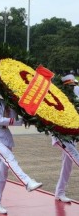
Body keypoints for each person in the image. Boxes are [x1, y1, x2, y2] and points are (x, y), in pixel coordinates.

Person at [0, 74, 42, 214]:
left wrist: (18, 107)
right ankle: (27, 182)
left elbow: (12, 117)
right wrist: (21, 122)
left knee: (3, 173)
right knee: (10, 158)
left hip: (5, 136)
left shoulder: (4, 102)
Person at [50, 74, 79, 203]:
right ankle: (60, 192)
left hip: (71, 137)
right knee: (76, 157)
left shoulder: (74, 100)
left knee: (67, 165)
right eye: (70, 86)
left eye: (73, 86)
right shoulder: (57, 100)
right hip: (61, 136)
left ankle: (59, 192)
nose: (72, 89)